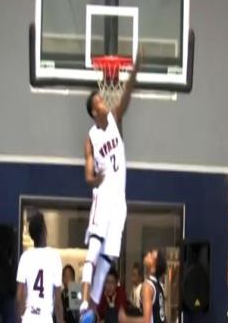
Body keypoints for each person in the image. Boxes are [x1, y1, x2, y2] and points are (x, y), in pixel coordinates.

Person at [80, 51, 141, 319]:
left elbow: (126, 94)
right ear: (95, 111)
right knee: (94, 249)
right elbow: (88, 175)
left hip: (119, 202)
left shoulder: (116, 119)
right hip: (104, 195)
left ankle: (90, 311)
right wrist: (95, 178)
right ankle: (84, 301)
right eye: (100, 102)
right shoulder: (90, 138)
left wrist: (135, 71)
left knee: (107, 260)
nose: (105, 102)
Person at [16, 211, 64, 323]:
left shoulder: (25, 257)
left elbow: (18, 296)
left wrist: (21, 318)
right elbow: (57, 302)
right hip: (45, 317)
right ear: (44, 231)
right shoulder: (54, 257)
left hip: (29, 316)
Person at [118, 248, 167, 323]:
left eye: (151, 255)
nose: (148, 253)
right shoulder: (158, 285)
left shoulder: (147, 286)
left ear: (153, 268)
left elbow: (146, 321)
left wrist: (125, 319)